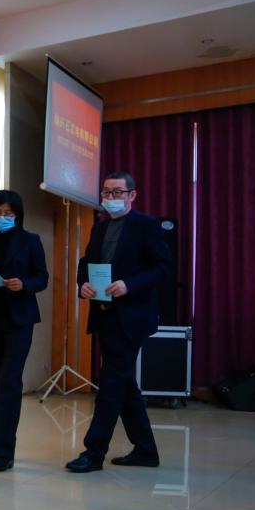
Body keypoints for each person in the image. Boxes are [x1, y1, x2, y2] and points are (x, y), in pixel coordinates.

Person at [66, 172, 172, 473]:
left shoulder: (146, 225)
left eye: (117, 192)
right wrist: (83, 284)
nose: (111, 198)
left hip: (132, 316)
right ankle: (145, 450)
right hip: (104, 314)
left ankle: (94, 452)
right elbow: (85, 263)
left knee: (111, 382)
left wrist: (129, 285)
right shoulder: (99, 227)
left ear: (132, 195)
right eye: (106, 193)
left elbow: (163, 268)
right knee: (123, 383)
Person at [0, 189, 48, 472]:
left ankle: (6, 449)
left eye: (8, 213)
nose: (2, 217)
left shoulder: (30, 241)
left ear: (18, 215)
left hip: (19, 320)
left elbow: (42, 277)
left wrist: (24, 284)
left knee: (9, 383)